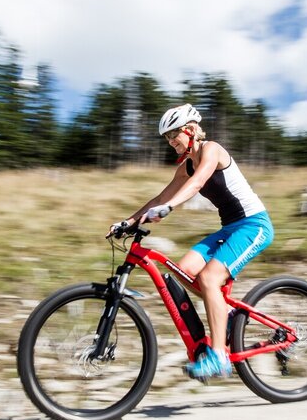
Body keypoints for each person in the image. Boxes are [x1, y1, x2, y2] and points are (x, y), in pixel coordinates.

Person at [108, 103, 274, 380]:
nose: (171, 142)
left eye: (174, 135)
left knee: (209, 279)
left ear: (191, 129)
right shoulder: (186, 164)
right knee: (180, 271)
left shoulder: (212, 150)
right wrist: (128, 222)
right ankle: (226, 313)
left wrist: (170, 207)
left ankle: (219, 357)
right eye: (167, 138)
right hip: (230, 227)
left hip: (254, 225)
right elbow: (159, 198)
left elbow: (197, 184)